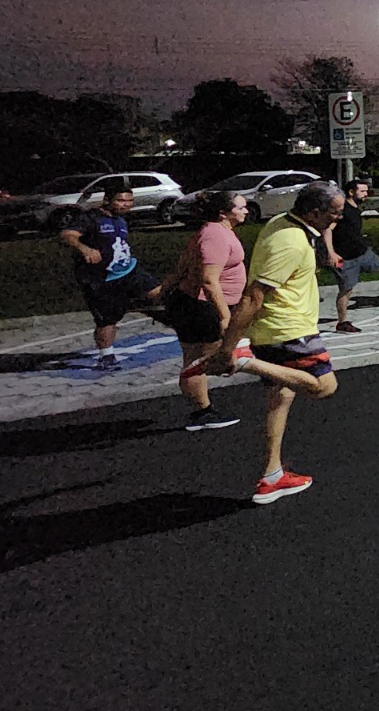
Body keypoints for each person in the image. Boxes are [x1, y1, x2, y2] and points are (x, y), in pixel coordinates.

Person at [185, 182, 346, 504]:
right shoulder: (290, 242)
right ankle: (247, 361)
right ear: (314, 212)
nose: (337, 220)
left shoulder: (283, 223)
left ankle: (272, 475)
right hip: (288, 331)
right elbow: (254, 296)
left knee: (282, 393)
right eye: (335, 214)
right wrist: (231, 348)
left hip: (281, 328)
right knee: (323, 386)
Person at [59, 179, 163, 370]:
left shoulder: (121, 221)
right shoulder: (91, 218)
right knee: (106, 319)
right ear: (107, 200)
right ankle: (106, 356)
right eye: (121, 201)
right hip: (100, 278)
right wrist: (85, 249)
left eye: (130, 201)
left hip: (128, 271)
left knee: (160, 292)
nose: (127, 205)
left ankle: (177, 322)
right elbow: (68, 235)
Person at [166, 189, 248, 430]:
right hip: (201, 306)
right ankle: (202, 412)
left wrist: (166, 287)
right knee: (205, 359)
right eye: (240, 207)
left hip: (197, 304)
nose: (245, 210)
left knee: (199, 358)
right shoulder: (215, 236)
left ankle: (201, 410)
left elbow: (183, 265)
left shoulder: (216, 232)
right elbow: (209, 280)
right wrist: (224, 316)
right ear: (224, 213)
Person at [322, 176, 379, 333]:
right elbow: (327, 229)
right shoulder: (342, 211)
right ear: (351, 192)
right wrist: (331, 252)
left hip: (362, 252)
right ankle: (342, 322)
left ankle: (356, 274)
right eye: (362, 191)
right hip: (345, 257)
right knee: (346, 290)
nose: (366, 194)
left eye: (366, 191)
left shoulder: (356, 208)